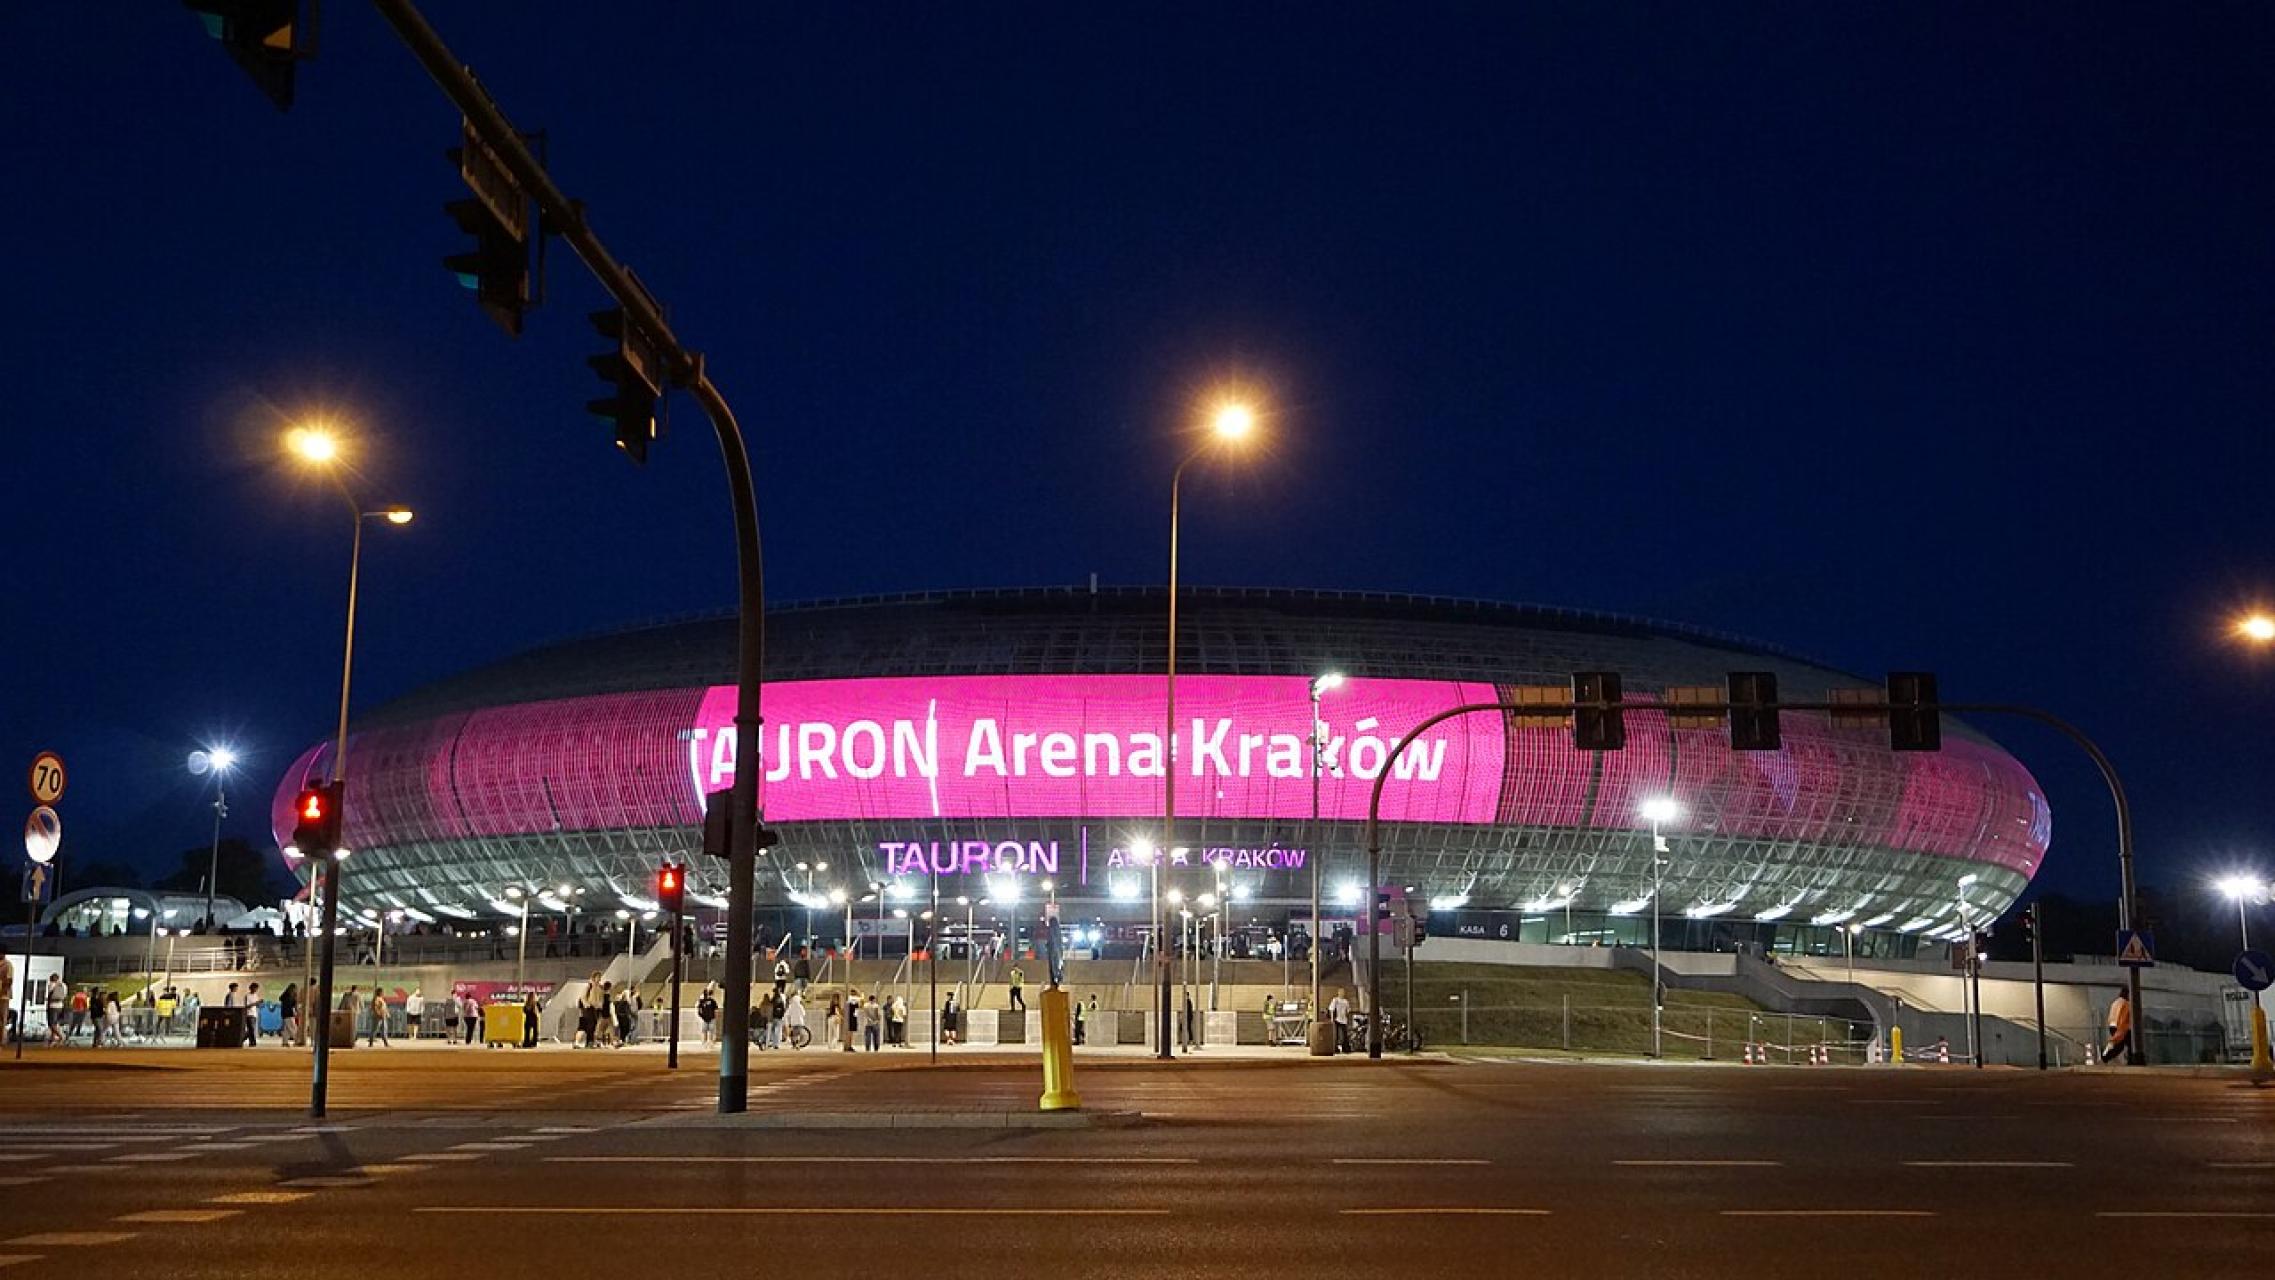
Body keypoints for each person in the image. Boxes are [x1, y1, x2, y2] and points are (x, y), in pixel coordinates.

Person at [2103, 991, 2133, 1064]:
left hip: (2112, 1026)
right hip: (2121, 1026)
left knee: (2119, 1045)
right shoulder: (2125, 1003)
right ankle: (2132, 1060)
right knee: (2131, 1044)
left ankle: (2105, 1055)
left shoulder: (2115, 1002)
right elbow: (2123, 1017)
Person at [1329, 989, 1352, 1055]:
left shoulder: (1346, 1001)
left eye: (1343, 992)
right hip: (1337, 1019)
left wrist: (1348, 1019)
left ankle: (1345, 1048)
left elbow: (1348, 1010)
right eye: (1341, 992)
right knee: (1336, 1035)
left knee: (1345, 1035)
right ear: (1338, 993)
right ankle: (1335, 1048)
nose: (1342, 993)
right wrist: (1332, 1019)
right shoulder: (1335, 1000)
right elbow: (1332, 1009)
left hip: (1344, 1019)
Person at [278, 983, 300, 1048]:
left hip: (284, 1014)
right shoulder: (292, 997)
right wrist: (297, 1012)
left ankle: (284, 1042)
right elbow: (294, 1006)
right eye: (295, 989)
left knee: (286, 1029)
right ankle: (297, 1041)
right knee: (293, 1028)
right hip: (289, 1014)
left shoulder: (284, 996)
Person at [243, 981, 263, 1046]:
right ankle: (252, 1042)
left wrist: (259, 1003)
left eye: (257, 988)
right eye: (255, 988)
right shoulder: (247, 996)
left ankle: (245, 1039)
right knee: (251, 1028)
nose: (256, 990)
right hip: (249, 1014)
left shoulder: (256, 996)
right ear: (251, 988)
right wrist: (256, 1003)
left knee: (252, 1029)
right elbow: (247, 1006)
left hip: (254, 1014)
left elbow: (257, 1005)